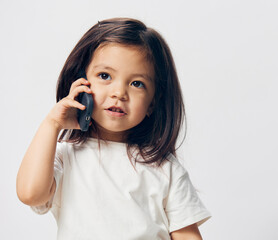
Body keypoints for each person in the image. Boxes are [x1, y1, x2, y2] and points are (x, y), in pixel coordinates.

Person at [16, 17, 211, 240]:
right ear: (81, 83)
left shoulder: (165, 168)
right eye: (105, 76)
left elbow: (187, 236)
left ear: (152, 104)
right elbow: (30, 194)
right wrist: (52, 123)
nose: (119, 92)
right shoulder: (66, 157)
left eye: (137, 83)